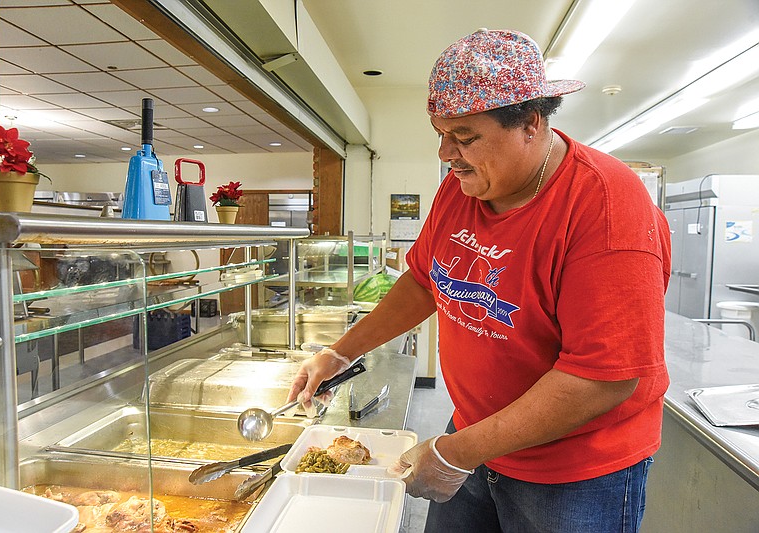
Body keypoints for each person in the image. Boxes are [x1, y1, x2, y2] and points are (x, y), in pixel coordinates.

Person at [287, 28, 671, 533]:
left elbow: (604, 378)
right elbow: (426, 281)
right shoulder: (462, 188)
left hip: (573, 474)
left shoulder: (605, 206)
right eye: (441, 134)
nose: (446, 154)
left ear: (530, 124)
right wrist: (341, 352)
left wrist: (456, 452)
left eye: (465, 137)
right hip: (475, 434)